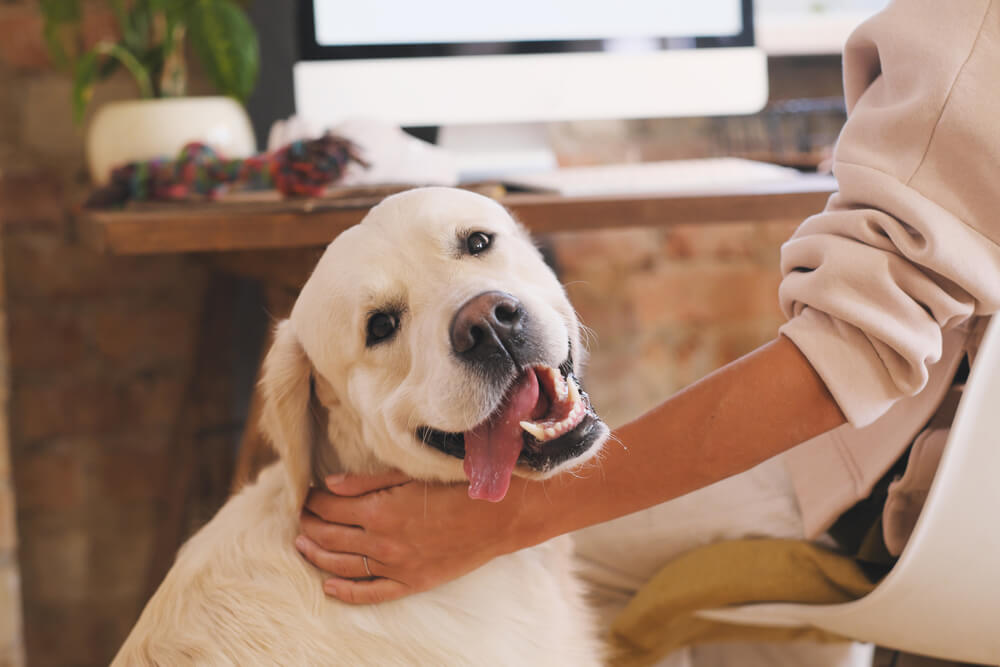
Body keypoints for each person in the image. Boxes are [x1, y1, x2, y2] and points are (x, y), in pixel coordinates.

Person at [294, 1, 1000, 664]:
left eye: (480, 243)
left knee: (560, 562)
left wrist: (504, 525)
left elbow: (850, 353)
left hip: (935, 496)